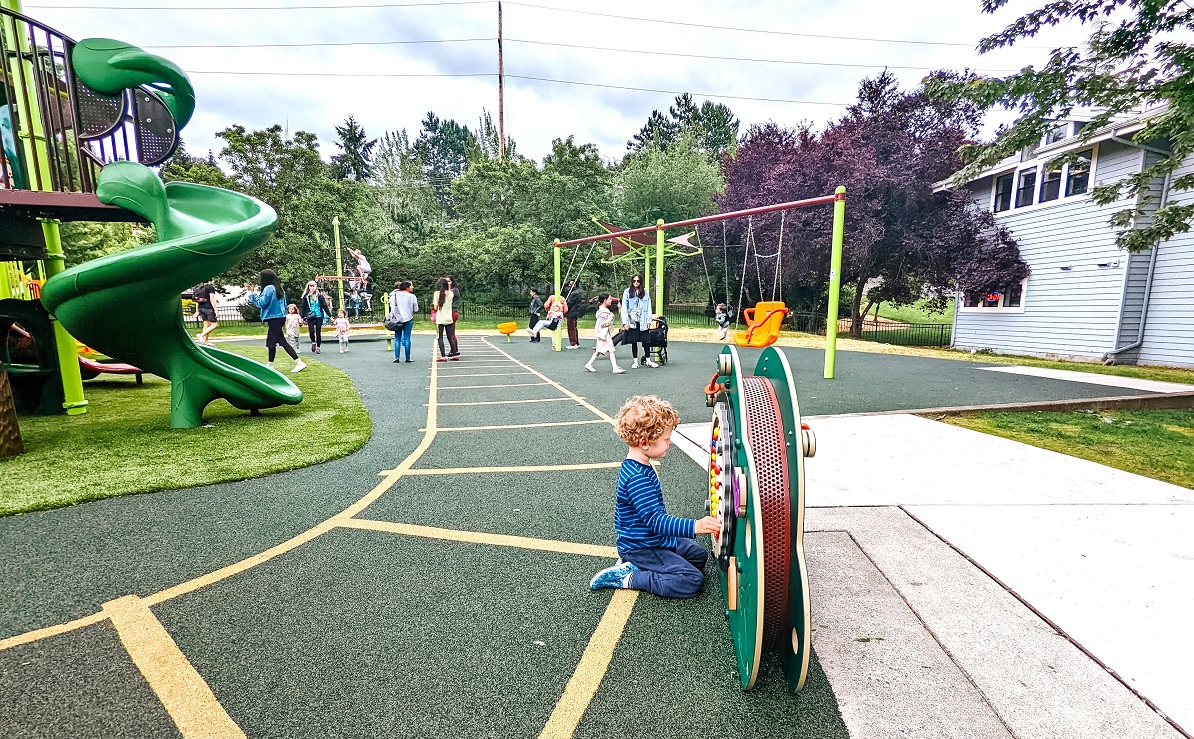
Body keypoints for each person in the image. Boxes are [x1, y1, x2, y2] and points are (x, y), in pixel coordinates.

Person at [589, 395, 720, 596]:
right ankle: (631, 577)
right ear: (644, 442)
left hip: (655, 539)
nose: (670, 443)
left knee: (698, 556)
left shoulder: (640, 465)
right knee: (692, 580)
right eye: (666, 439)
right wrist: (696, 526)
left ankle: (634, 565)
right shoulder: (637, 478)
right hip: (642, 547)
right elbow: (656, 521)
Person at [246, 269, 305, 373]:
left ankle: (299, 362)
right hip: (280, 317)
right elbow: (284, 304)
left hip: (273, 318)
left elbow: (261, 303)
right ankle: (270, 364)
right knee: (271, 342)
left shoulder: (269, 288)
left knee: (282, 341)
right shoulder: (279, 289)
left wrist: (252, 294)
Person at [619, 273, 657, 368]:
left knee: (646, 341)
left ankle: (648, 359)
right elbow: (624, 308)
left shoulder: (645, 292)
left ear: (641, 282)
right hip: (632, 320)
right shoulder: (627, 292)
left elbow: (648, 307)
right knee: (634, 341)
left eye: (638, 281)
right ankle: (635, 361)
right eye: (634, 281)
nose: (636, 282)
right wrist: (625, 322)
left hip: (642, 319)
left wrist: (649, 321)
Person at [584, 293, 625, 374]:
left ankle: (589, 364)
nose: (611, 300)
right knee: (611, 349)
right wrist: (610, 318)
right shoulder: (602, 312)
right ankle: (614, 368)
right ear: (605, 300)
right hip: (603, 334)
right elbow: (603, 324)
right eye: (609, 299)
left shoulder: (604, 310)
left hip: (604, 333)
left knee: (599, 350)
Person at [388, 280, 418, 364]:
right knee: (407, 338)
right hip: (408, 318)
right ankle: (408, 358)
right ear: (407, 287)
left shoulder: (394, 295)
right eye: (411, 286)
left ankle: (396, 357)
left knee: (397, 338)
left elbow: (391, 306)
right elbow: (416, 309)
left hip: (397, 319)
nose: (413, 287)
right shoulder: (412, 296)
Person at [299, 281, 332, 354]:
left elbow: (325, 306)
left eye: (313, 286)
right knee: (311, 331)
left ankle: (318, 347)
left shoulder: (320, 296)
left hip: (319, 316)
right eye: (310, 286)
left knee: (318, 332)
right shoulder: (306, 297)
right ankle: (313, 342)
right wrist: (302, 317)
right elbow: (303, 307)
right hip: (310, 316)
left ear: (316, 287)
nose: (311, 287)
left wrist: (330, 316)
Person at [431, 277, 459, 362]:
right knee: (450, 336)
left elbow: (436, 307)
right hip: (448, 317)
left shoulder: (436, 293)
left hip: (440, 317)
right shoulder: (451, 293)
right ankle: (454, 354)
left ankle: (443, 356)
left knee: (440, 337)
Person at [565, 279, 584, 349]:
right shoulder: (576, 292)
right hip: (574, 312)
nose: (569, 286)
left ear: (574, 285)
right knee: (574, 328)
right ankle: (576, 342)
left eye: (571, 284)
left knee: (571, 328)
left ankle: (573, 343)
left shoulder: (574, 293)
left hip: (572, 313)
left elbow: (569, 303)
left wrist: (564, 308)